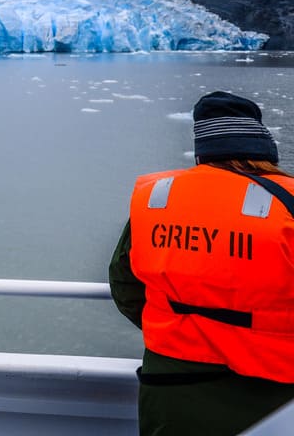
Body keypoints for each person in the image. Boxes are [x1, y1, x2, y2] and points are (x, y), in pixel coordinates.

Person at [109, 90, 294, 435]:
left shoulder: (160, 200)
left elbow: (125, 284)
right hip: (273, 398)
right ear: (263, 146)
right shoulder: (288, 202)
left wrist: (183, 326)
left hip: (172, 392)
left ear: (202, 150)